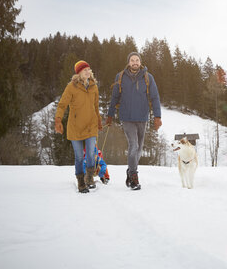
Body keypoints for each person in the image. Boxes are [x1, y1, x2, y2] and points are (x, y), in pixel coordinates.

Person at [106, 52, 162, 190]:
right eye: (132, 60)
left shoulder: (148, 77)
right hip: (126, 118)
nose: (135, 62)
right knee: (134, 145)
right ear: (128, 62)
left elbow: (155, 97)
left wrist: (157, 116)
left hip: (142, 117)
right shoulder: (120, 77)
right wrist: (110, 115)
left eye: (137, 60)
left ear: (140, 62)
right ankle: (134, 177)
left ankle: (130, 171)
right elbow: (114, 98)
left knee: (139, 149)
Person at [55, 60, 102, 193]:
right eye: (84, 70)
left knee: (91, 154)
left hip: (91, 126)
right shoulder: (72, 87)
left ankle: (90, 177)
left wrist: (98, 120)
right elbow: (62, 104)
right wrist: (58, 119)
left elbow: (96, 106)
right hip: (75, 127)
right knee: (79, 157)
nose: (88, 72)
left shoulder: (94, 86)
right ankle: (81, 180)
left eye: (89, 69)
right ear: (79, 73)